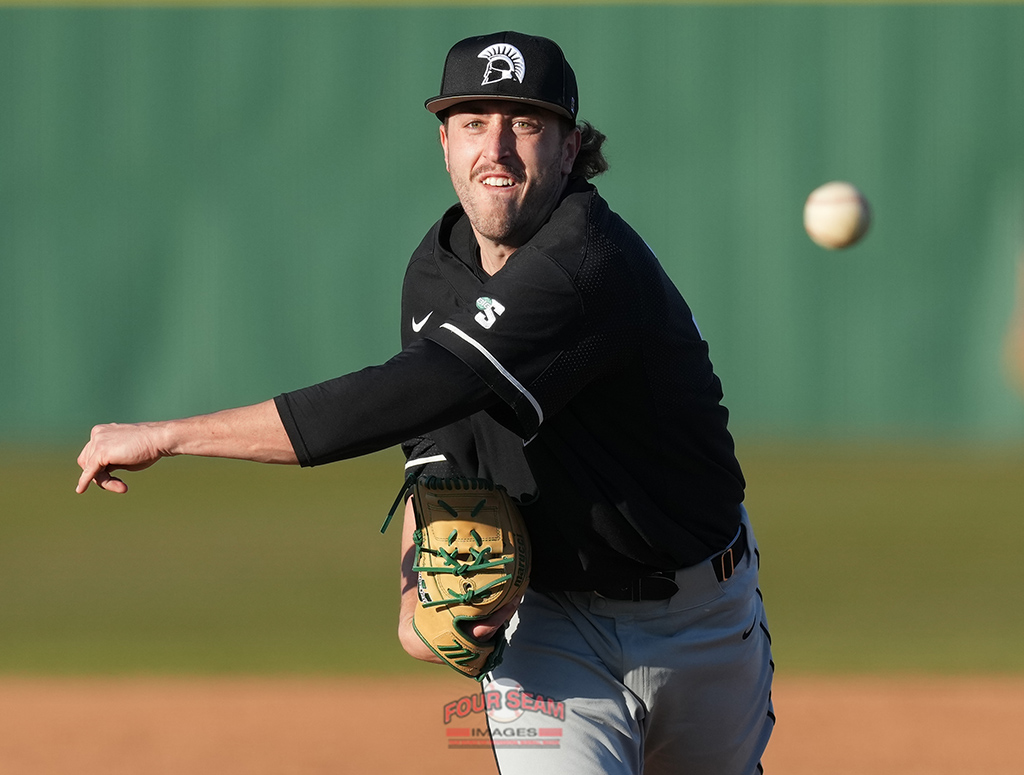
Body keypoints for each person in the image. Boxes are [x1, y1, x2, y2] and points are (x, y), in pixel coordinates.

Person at [77, 31, 774, 775]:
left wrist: (170, 434)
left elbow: (416, 389)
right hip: (552, 630)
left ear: (570, 148)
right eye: (474, 122)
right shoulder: (436, 273)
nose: (496, 149)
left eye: (525, 123)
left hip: (701, 622)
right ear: (444, 144)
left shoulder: (589, 258)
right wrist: (413, 587)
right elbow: (437, 458)